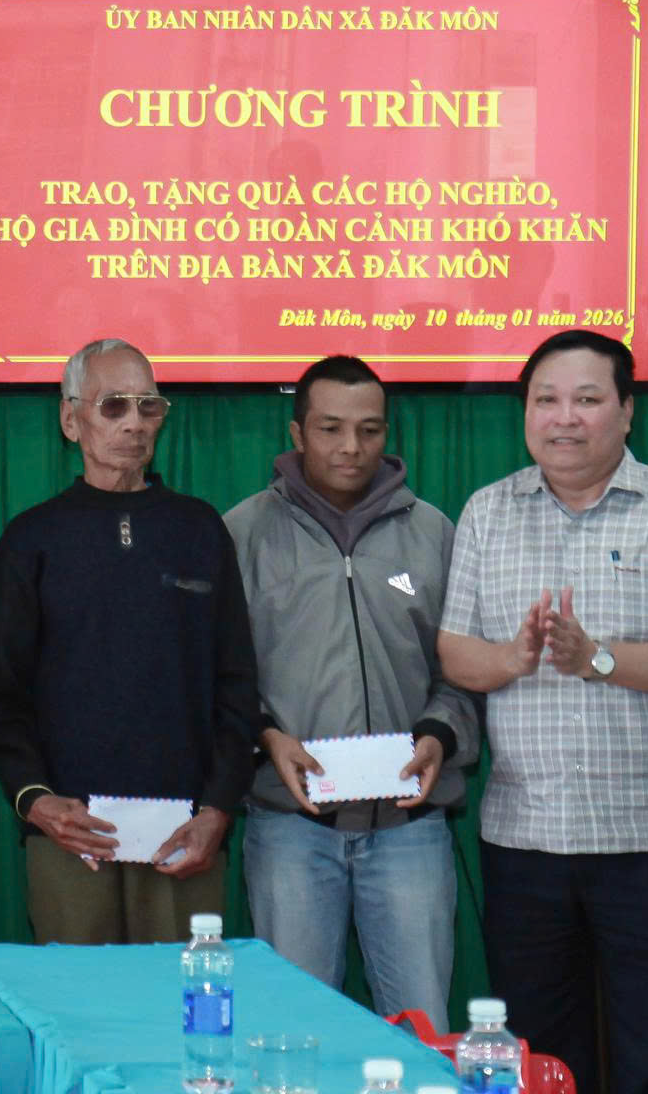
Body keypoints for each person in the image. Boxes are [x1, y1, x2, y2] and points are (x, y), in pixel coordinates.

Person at [438, 329, 648, 1094]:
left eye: (587, 399)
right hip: (527, 842)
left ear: (627, 411)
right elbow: (455, 652)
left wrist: (598, 659)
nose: (564, 418)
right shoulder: (487, 511)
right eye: (546, 400)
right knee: (541, 1057)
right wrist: (513, 659)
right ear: (525, 413)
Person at [0, 337, 259, 944]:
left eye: (148, 406)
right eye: (113, 406)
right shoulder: (32, 539)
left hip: (185, 834)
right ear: (69, 419)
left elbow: (237, 684)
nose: (134, 423)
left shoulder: (200, 529)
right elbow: (0, 692)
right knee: (81, 999)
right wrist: (36, 801)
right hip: (70, 834)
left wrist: (218, 809)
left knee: (180, 997)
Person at [226, 355, 472, 1025]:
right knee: (294, 1036)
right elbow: (219, 676)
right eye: (330, 428)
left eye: (369, 429)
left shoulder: (434, 532)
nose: (351, 447)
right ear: (297, 433)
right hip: (289, 827)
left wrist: (438, 734)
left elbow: (462, 671)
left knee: (422, 1031)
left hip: (411, 830)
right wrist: (264, 737)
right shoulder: (242, 533)